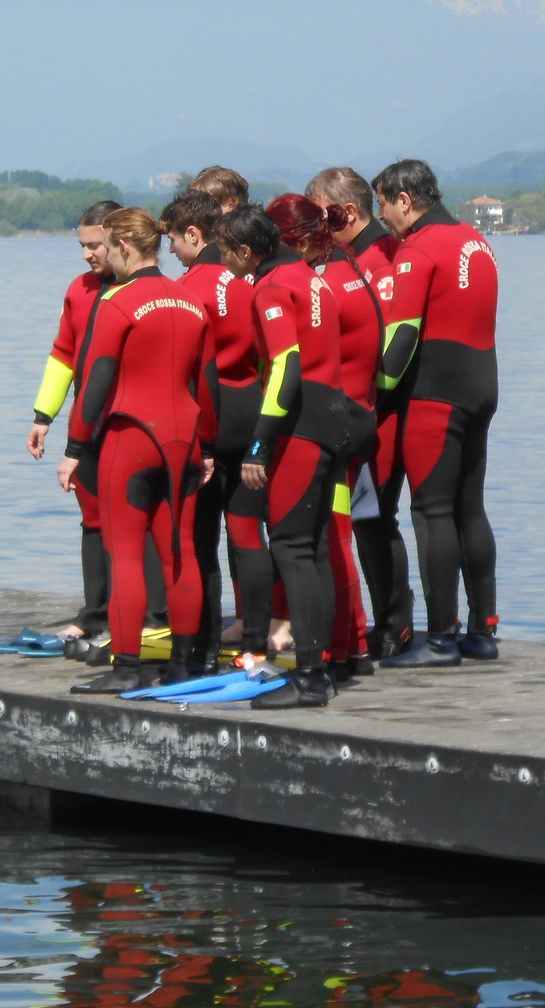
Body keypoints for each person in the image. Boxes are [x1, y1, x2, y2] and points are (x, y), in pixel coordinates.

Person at [62, 207, 220, 694]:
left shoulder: (116, 302)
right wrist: (208, 446)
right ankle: (183, 664)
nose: (104, 256)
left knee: (125, 554)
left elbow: (97, 379)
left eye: (107, 248)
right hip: (186, 442)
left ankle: (127, 667)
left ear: (125, 248)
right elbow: (207, 383)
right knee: (182, 552)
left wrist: (74, 446)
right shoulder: (192, 302)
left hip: (131, 440)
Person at [216, 203, 352, 708]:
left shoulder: (271, 288)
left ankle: (310, 678)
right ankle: (325, 667)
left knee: (292, 549)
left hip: (298, 428)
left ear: (247, 252)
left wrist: (260, 442)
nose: (223, 259)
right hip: (331, 419)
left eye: (226, 251)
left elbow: (286, 365)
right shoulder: (311, 276)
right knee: (312, 548)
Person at [372, 159, 500, 666]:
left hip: (436, 392)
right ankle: (483, 630)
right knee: (471, 508)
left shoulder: (418, 249)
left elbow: (401, 335)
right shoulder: (476, 240)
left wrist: (375, 397)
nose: (381, 215)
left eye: (383, 203)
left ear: (405, 199)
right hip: (482, 384)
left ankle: (441, 637)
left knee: (432, 510)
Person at [268, 193, 381, 679]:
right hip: (351, 418)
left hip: (318, 426)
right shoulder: (350, 271)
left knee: (323, 541)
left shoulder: (313, 282)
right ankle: (352, 646)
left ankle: (332, 652)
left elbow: (288, 365)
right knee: (336, 538)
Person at [307, 166, 412, 657]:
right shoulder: (350, 256)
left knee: (373, 517)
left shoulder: (379, 259)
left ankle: (395, 622)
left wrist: (370, 406)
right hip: (360, 409)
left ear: (346, 212)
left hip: (377, 410)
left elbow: (394, 340)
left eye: (319, 214)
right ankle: (378, 621)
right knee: (366, 518)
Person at [163, 187, 262, 673]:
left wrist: (198, 441)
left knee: (201, 539)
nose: (172, 255)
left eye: (174, 244)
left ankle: (202, 646)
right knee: (247, 532)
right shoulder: (247, 279)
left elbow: (190, 371)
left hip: (212, 415)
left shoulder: (186, 291)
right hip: (254, 406)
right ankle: (256, 637)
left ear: (193, 234)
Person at [27, 199, 121, 640]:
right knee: (92, 519)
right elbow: (64, 354)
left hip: (130, 423)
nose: (87, 254)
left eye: (94, 245)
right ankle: (94, 612)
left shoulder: (141, 289)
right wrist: (44, 414)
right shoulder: (78, 290)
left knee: (130, 521)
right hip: (86, 422)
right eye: (82, 245)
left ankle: (133, 614)